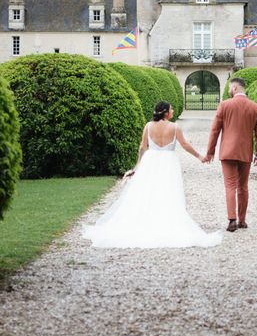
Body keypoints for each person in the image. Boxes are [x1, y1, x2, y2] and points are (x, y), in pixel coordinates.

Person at [82, 101, 222, 248]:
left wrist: (137, 166)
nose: (173, 110)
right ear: (165, 112)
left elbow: (142, 147)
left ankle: (147, 220)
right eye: (171, 109)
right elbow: (185, 145)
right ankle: (165, 221)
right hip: (169, 162)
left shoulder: (149, 126)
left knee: (147, 190)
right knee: (168, 192)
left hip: (150, 161)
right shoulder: (174, 127)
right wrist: (200, 157)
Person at [203, 78, 257, 232]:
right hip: (245, 152)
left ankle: (232, 220)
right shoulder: (255, 108)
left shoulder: (224, 105)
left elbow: (215, 130)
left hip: (228, 152)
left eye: (231, 88)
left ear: (236, 87)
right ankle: (242, 221)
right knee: (243, 186)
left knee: (230, 186)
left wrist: (210, 152)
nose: (230, 90)